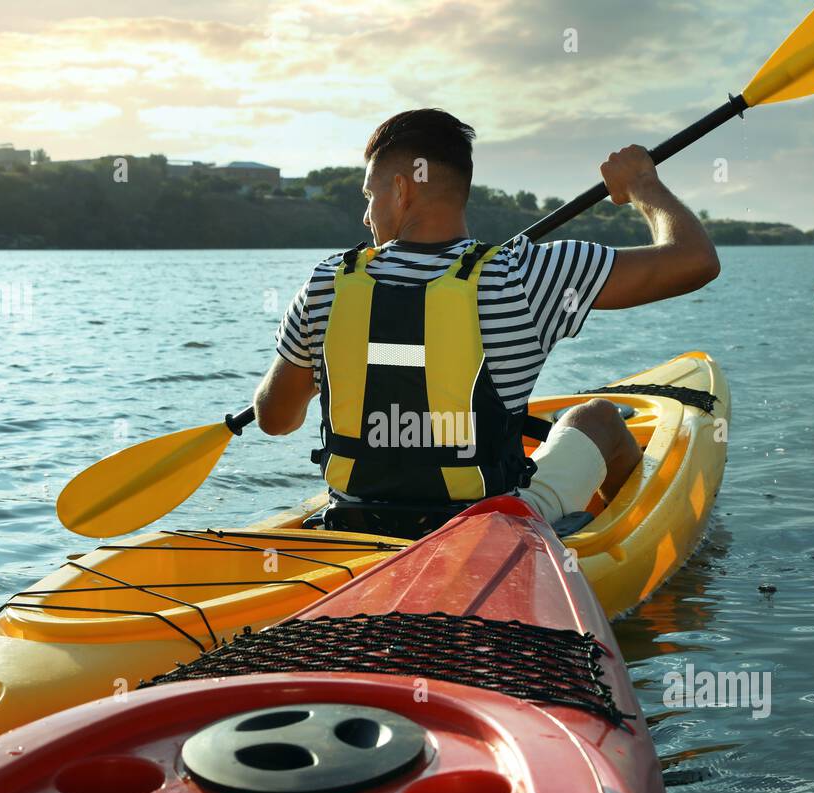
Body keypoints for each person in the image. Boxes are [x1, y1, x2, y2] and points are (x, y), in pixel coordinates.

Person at [254, 108, 719, 528]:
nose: (365, 216)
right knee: (596, 417)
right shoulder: (526, 273)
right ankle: (616, 542)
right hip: (486, 531)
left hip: (355, 521)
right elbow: (695, 260)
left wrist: (349, 361)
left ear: (401, 189)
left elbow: (274, 418)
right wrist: (641, 184)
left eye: (368, 196)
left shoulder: (328, 284)